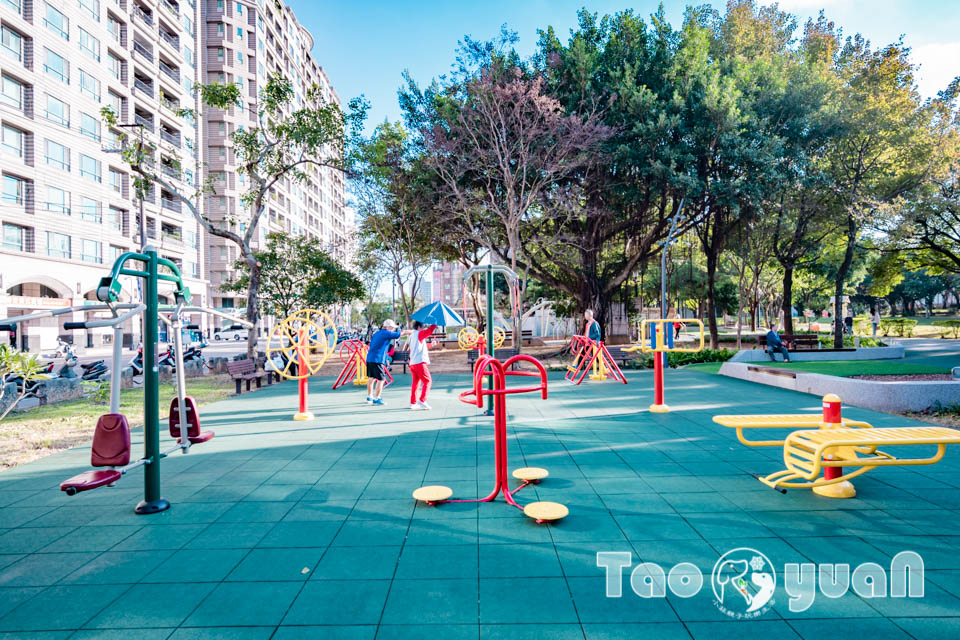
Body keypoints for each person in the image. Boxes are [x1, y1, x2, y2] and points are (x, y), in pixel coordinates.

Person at [365, 319, 411, 406]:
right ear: (388, 327)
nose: (393, 329)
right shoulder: (386, 333)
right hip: (377, 360)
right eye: (393, 327)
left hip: (370, 358)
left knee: (371, 378)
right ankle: (377, 398)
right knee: (381, 379)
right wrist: (410, 331)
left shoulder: (376, 333)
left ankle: (369, 396)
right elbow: (400, 334)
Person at [408, 320, 437, 410]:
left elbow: (418, 347)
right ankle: (422, 400)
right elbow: (430, 331)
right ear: (419, 327)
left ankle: (413, 403)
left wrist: (430, 345)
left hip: (413, 362)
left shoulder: (412, 335)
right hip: (419, 362)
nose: (423, 329)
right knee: (428, 381)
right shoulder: (419, 334)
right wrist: (435, 322)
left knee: (416, 383)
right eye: (423, 327)